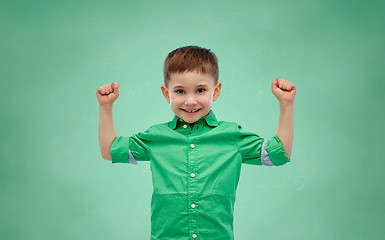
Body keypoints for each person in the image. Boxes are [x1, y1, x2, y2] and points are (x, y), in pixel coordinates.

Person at [97, 45, 296, 240]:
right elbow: (111, 150)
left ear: (215, 91)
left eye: (200, 90)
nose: (190, 101)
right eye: (180, 91)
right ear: (167, 94)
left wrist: (286, 104)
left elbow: (279, 154)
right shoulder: (156, 136)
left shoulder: (232, 135)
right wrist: (106, 107)